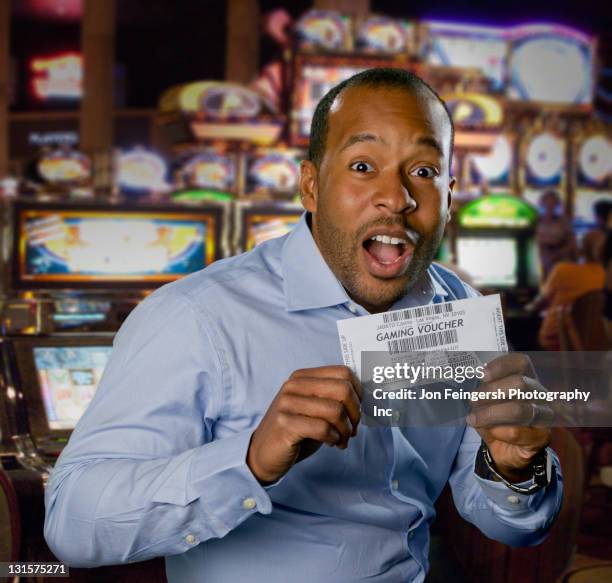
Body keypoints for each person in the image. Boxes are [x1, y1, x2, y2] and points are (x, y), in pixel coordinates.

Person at [44, 69, 562, 583]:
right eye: (363, 165)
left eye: (423, 172)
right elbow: (71, 521)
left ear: (449, 195)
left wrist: (512, 467)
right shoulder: (196, 315)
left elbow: (512, 525)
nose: (397, 197)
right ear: (311, 186)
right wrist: (249, 460)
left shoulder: (458, 306)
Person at [528, 232, 606, 350]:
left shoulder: (562, 270)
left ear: (581, 250)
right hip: (601, 347)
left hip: (557, 342)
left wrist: (526, 307)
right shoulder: (608, 277)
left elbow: (539, 303)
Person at [535, 190, 576, 280]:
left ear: (557, 204)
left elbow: (571, 242)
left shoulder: (563, 221)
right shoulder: (536, 219)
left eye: (553, 201)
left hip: (559, 257)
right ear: (542, 203)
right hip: (540, 256)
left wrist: (559, 253)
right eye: (547, 201)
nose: (550, 204)